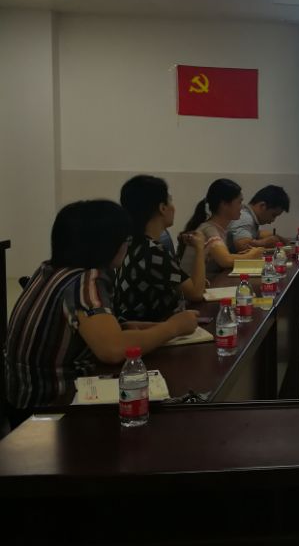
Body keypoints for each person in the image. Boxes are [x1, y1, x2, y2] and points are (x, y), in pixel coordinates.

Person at [3, 201, 197, 427]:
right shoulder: (85, 281)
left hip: (19, 402)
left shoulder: (50, 270)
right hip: (50, 411)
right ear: (106, 245)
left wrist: (127, 329)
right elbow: (112, 350)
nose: (127, 246)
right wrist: (173, 327)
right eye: (125, 240)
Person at [115, 175, 207, 322]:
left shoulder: (130, 242)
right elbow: (196, 293)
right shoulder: (153, 251)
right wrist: (200, 248)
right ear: (162, 208)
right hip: (153, 329)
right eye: (170, 200)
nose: (173, 207)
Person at [181, 179, 263, 274]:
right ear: (224, 204)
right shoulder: (209, 229)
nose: (241, 207)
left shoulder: (219, 228)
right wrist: (253, 255)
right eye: (239, 202)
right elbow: (226, 260)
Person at [228, 184, 292, 252]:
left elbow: (260, 234)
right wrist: (264, 243)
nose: (273, 220)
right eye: (273, 215)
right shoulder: (245, 218)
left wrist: (279, 238)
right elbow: (242, 245)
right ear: (262, 206)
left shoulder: (251, 218)